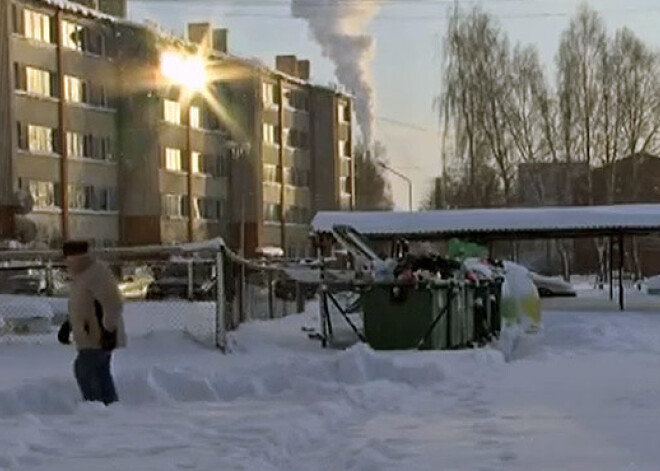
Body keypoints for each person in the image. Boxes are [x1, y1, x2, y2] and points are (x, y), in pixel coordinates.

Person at [57, 241, 126, 405]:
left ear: (75, 257)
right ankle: (109, 408)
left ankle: (96, 408)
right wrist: (69, 324)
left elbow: (113, 303)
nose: (66, 262)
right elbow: (83, 305)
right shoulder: (82, 274)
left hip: (98, 335)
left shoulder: (96, 273)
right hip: (91, 335)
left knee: (84, 371)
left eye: (67, 258)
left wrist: (109, 330)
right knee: (101, 373)